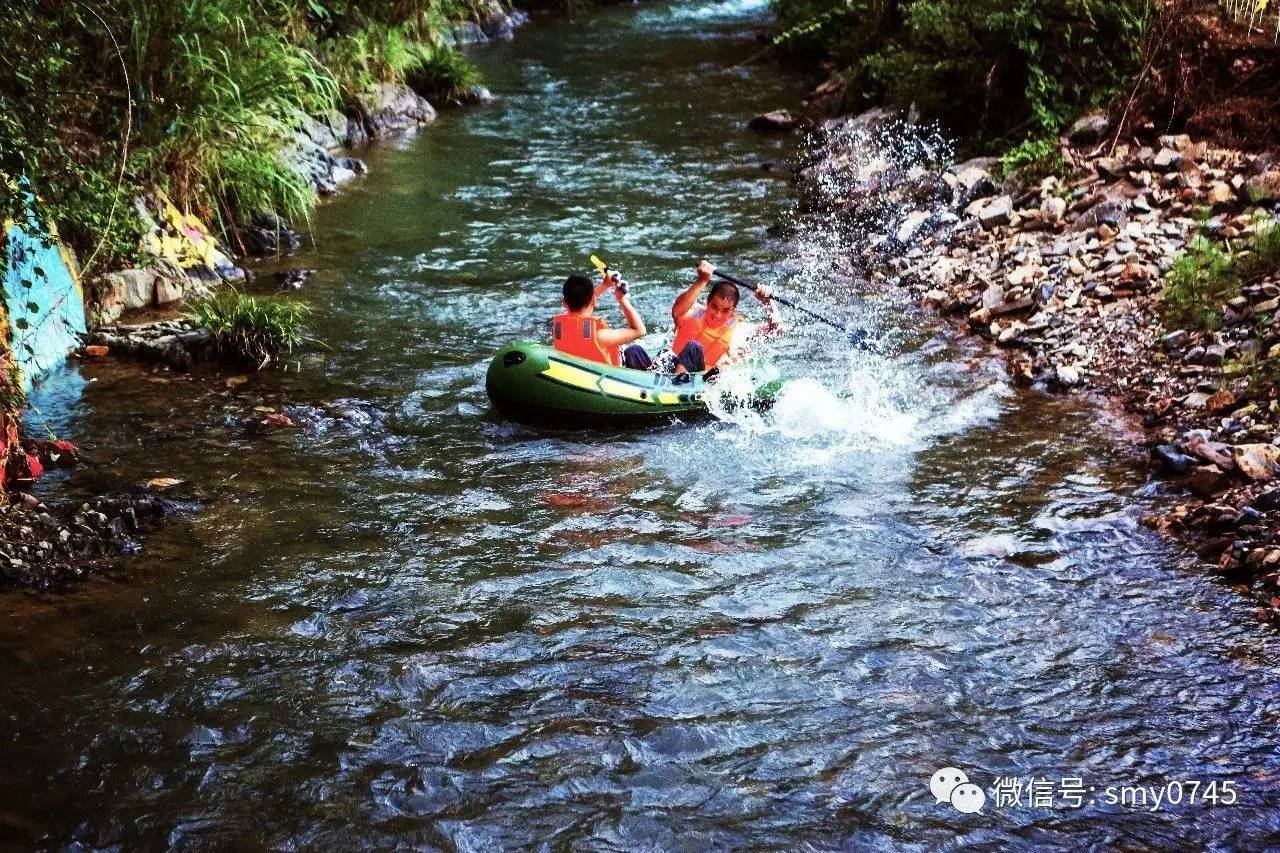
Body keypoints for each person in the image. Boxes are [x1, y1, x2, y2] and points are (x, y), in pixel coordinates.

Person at [658, 260, 781, 374]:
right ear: (707, 303)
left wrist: (767, 302)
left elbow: (776, 330)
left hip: (700, 382)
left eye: (726, 311)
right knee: (641, 351)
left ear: (733, 311)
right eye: (714, 307)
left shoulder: (739, 329)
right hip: (669, 369)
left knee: (693, 347)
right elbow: (677, 311)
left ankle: (674, 387)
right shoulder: (693, 312)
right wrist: (702, 280)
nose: (717, 315)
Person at [550, 271, 647, 367]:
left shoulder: (558, 328)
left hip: (576, 373)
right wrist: (621, 299)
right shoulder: (600, 336)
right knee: (634, 350)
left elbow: (579, 298)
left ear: (564, 303)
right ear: (594, 301)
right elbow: (639, 330)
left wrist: (605, 285)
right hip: (606, 379)